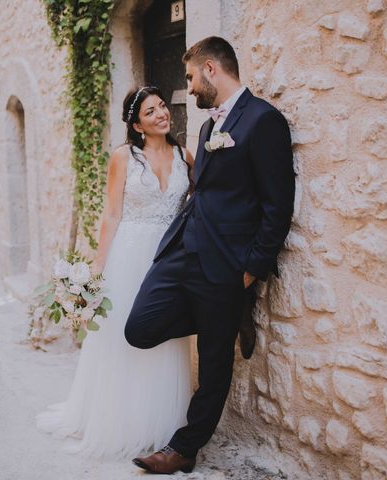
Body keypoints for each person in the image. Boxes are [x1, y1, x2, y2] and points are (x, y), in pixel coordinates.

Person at [126, 36, 295, 474]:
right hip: (184, 252)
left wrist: (250, 272)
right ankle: (219, 315)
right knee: (139, 327)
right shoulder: (205, 129)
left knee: (215, 363)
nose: (189, 85)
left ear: (211, 70)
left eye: (190, 76)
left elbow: (277, 208)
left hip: (227, 267)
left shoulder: (263, 121)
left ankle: (184, 449)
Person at [36, 87, 196, 458]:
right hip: (129, 255)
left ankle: (161, 423)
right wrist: (97, 266)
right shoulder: (124, 157)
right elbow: (112, 214)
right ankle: (122, 420)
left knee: (165, 338)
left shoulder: (184, 156)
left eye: (162, 107)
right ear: (137, 124)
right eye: (151, 111)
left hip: (169, 257)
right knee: (124, 337)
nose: (161, 114)